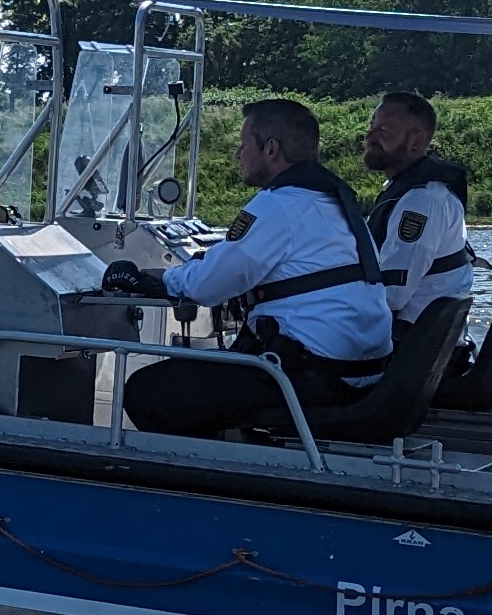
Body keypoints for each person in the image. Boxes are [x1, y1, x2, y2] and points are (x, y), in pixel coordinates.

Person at [101, 98, 393, 440]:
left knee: (147, 391)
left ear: (271, 149)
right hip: (358, 372)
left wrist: (159, 278)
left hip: (313, 375)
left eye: (244, 144)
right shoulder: (334, 203)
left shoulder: (280, 204)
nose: (239, 153)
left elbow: (209, 285)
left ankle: (202, 480)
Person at [360, 91, 479, 332]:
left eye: (384, 131)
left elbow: (392, 294)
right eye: (372, 126)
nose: (370, 136)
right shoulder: (406, 191)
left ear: (416, 141)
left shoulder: (422, 200)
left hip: (408, 344)